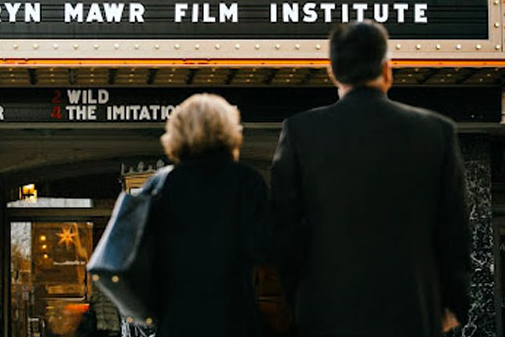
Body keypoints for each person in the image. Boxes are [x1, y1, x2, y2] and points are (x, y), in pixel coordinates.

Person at [270, 21, 471, 337]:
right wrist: (453, 305)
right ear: (387, 70)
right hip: (413, 314)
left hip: (327, 315)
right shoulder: (436, 132)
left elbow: (285, 232)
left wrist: (302, 300)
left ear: (333, 72)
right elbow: (454, 229)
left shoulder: (300, 132)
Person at [149, 93, 269, 337]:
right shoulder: (247, 181)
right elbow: (265, 248)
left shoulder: (162, 184)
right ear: (228, 130)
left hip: (178, 319)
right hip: (235, 317)